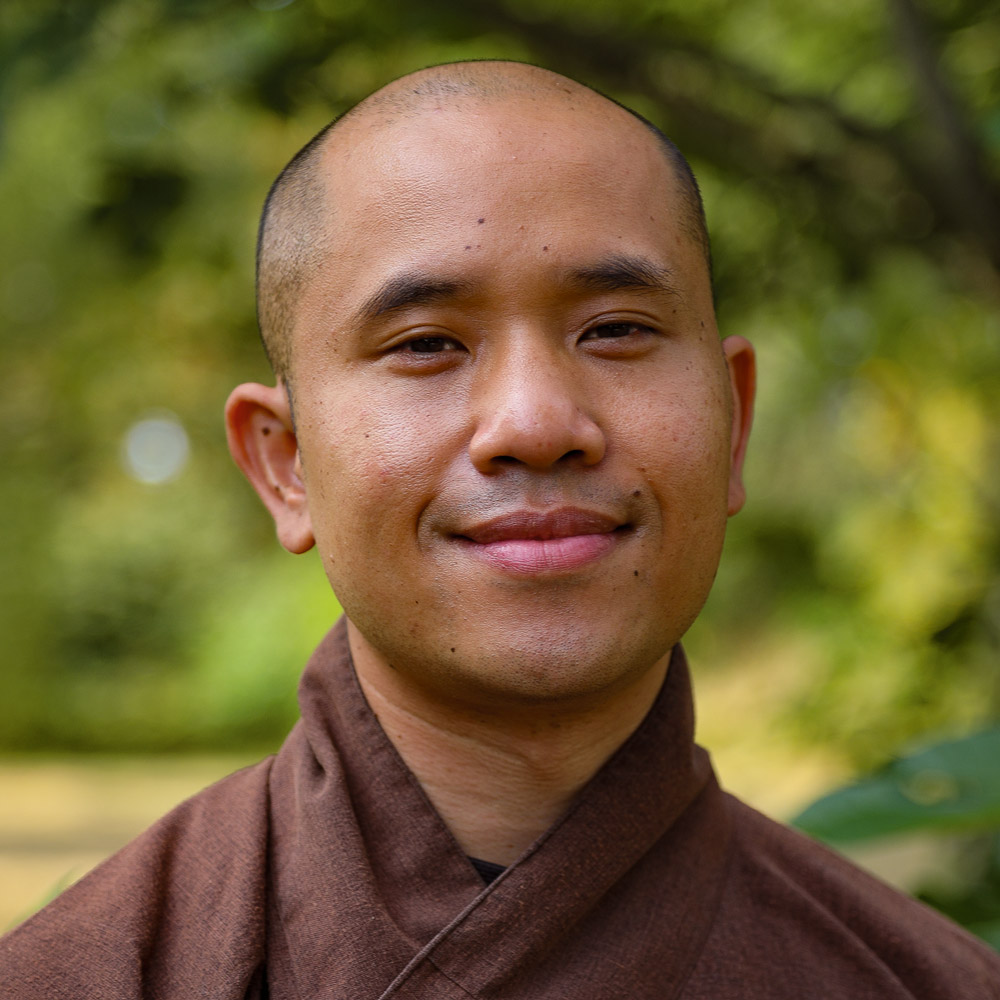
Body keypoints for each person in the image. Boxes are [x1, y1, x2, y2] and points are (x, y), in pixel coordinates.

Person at [2, 60, 998, 999]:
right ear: (286, 463)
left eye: (616, 329)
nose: (535, 423)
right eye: (426, 343)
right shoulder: (80, 975)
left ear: (732, 422)